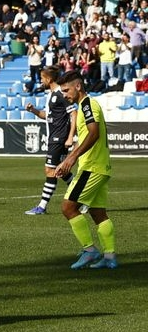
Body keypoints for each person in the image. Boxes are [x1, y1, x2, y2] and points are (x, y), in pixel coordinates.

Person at [54, 70, 117, 269]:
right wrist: (69, 159)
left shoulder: (88, 104)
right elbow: (85, 136)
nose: (64, 95)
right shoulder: (83, 107)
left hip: (92, 167)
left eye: (66, 90)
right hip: (100, 167)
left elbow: (93, 133)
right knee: (98, 213)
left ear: (78, 86)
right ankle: (109, 257)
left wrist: (71, 158)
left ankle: (89, 251)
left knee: (68, 207)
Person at [24, 66, 76, 215]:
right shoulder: (51, 94)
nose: (41, 81)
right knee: (62, 172)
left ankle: (42, 206)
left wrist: (70, 136)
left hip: (58, 138)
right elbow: (47, 116)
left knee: (50, 170)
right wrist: (33, 110)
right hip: (54, 136)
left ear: (49, 79)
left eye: (42, 78)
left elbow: (74, 113)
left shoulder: (60, 93)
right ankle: (83, 199)